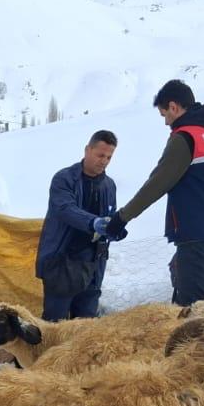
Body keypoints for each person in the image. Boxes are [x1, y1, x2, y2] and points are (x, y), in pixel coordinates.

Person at [114, 79, 204, 305]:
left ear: (173, 107)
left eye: (164, 115)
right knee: (178, 272)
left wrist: (121, 217)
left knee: (196, 312)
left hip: (198, 237)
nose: (165, 122)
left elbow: (157, 183)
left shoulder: (185, 139)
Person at [35, 129, 121, 320]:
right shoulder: (64, 179)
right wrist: (94, 222)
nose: (104, 161)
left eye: (109, 157)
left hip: (93, 266)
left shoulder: (109, 185)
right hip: (63, 263)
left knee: (85, 327)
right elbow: (66, 209)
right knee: (55, 326)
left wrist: (114, 228)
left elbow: (110, 216)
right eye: (100, 155)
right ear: (87, 150)